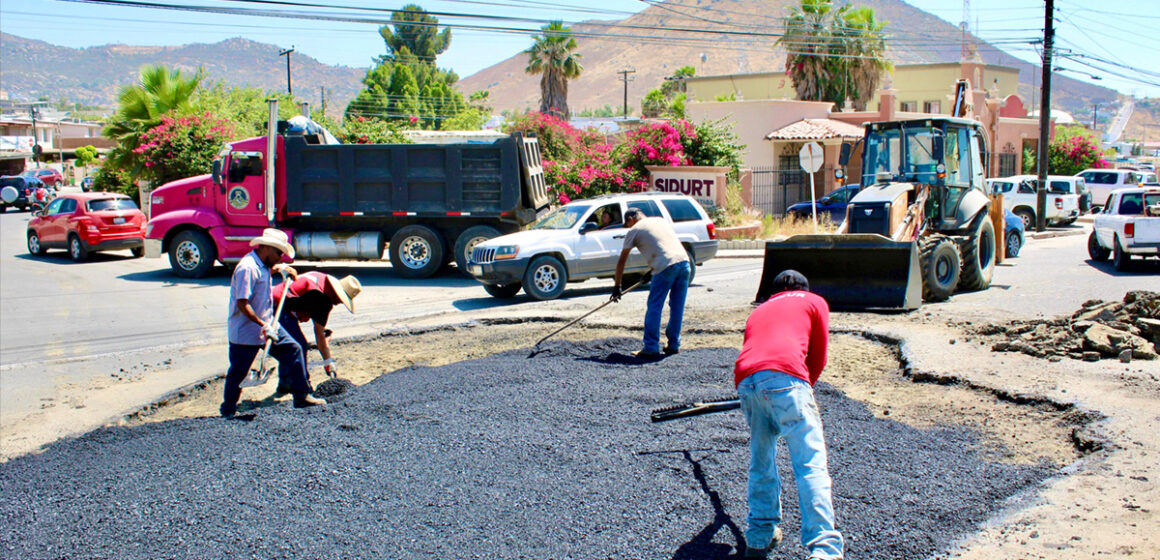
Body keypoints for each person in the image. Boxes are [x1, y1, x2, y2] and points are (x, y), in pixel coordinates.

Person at [733, 270, 843, 560]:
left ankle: (758, 539)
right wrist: (804, 393)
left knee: (762, 460)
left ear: (773, 293)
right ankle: (825, 550)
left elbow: (756, 351)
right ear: (804, 288)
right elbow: (817, 357)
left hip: (747, 380)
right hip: (787, 379)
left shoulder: (759, 311)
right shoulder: (814, 301)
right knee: (809, 463)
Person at [220, 228, 324, 417]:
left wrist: (283, 269)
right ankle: (228, 410)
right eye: (278, 253)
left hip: (268, 325)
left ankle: (302, 396)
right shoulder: (247, 268)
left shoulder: (263, 264)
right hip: (246, 331)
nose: (280, 257)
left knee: (294, 349)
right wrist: (263, 325)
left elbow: (270, 268)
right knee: (238, 372)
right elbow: (242, 304)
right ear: (266, 248)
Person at [612, 208, 690, 357]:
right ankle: (674, 344)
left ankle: (651, 346)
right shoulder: (660, 221)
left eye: (627, 224)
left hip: (665, 266)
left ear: (630, 219)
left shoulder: (634, 229)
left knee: (654, 306)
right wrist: (651, 271)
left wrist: (617, 286)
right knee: (677, 307)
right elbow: (664, 246)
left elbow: (622, 261)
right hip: (684, 263)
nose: (628, 227)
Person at [270, 271, 362, 394]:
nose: (339, 303)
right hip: (278, 306)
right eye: (340, 300)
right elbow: (319, 335)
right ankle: (303, 389)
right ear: (337, 294)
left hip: (272, 299)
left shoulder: (320, 278)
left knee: (291, 344)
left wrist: (325, 344)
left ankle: (285, 383)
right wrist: (328, 361)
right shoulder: (323, 299)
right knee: (298, 346)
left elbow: (321, 334)